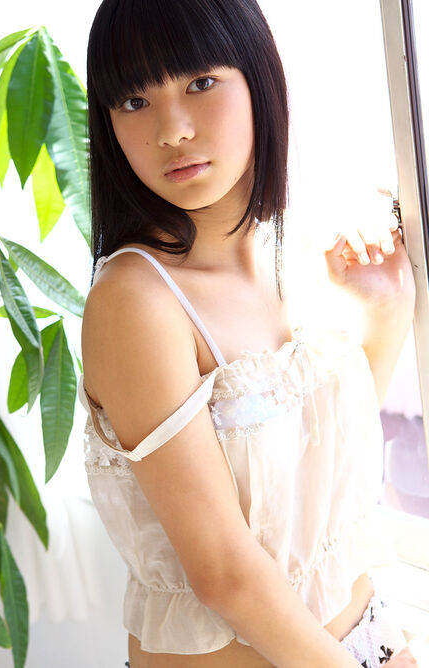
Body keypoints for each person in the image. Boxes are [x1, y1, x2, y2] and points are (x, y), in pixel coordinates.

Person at [79, 0, 418, 666]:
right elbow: (225, 575)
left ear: (259, 77)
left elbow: (319, 470)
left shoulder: (287, 249)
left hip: (367, 636)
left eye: (200, 82)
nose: (172, 130)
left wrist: (387, 312)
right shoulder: (136, 303)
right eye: (134, 101)